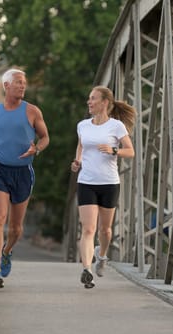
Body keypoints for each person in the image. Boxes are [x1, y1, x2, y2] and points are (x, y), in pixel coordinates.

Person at [0, 68, 49, 289]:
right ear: (6, 86)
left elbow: (45, 137)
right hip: (0, 169)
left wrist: (36, 149)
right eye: (18, 82)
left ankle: (7, 251)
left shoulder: (32, 111)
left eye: (24, 82)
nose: (23, 86)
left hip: (23, 172)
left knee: (15, 228)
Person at [70, 86, 136, 288]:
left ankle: (102, 255)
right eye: (88, 99)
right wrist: (77, 161)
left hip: (109, 183)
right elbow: (81, 145)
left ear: (105, 102)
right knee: (88, 229)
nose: (89, 102)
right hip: (86, 182)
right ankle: (87, 270)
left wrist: (113, 150)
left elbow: (130, 151)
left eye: (93, 99)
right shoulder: (83, 125)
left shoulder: (116, 126)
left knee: (105, 230)